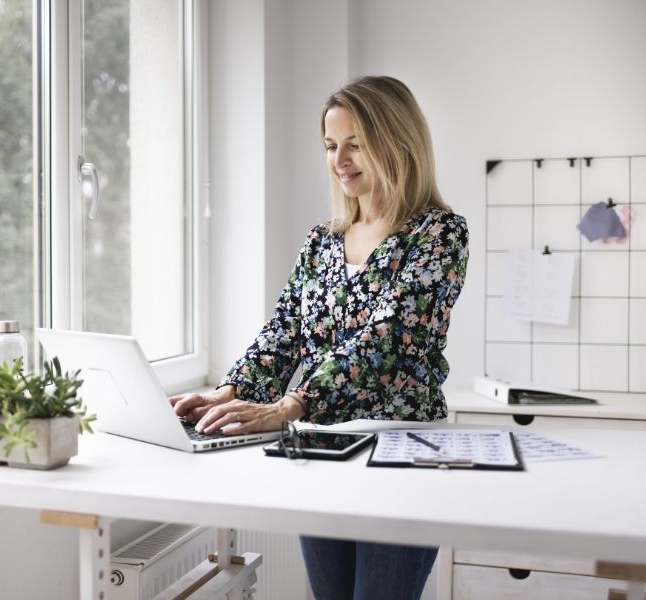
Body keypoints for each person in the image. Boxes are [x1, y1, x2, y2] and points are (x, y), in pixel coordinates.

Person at [170, 75, 468, 599]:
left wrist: (292, 404)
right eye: (331, 145)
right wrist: (230, 391)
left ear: (397, 141)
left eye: (356, 143)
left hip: (401, 453)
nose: (340, 159)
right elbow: (284, 329)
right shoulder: (323, 240)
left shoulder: (440, 234)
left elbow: (390, 339)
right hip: (323, 449)